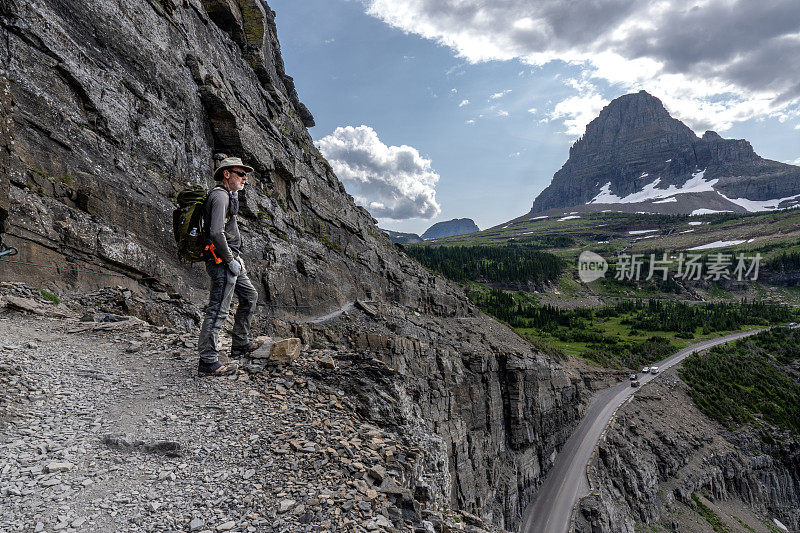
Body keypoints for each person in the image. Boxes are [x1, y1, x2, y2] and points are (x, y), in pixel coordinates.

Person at [197, 157, 262, 376]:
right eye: (240, 173)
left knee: (249, 296)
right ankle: (207, 361)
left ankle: (240, 344)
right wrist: (230, 260)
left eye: (246, 174)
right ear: (227, 174)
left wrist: (237, 258)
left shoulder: (230, 195)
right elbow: (216, 232)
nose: (245, 178)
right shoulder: (220, 196)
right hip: (222, 261)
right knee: (218, 309)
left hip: (232, 259)